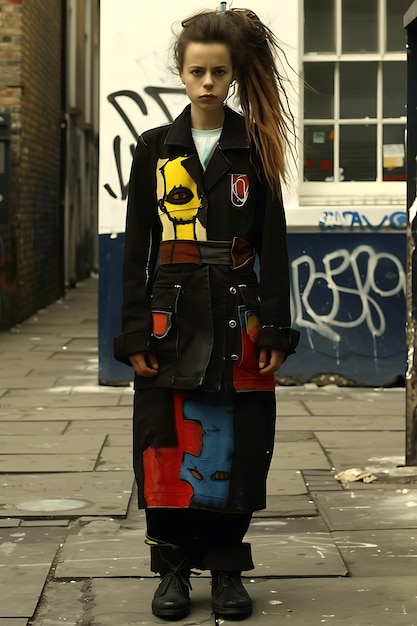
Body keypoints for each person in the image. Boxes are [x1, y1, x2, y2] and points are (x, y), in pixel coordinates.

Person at [114, 5, 299, 621]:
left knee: (239, 442)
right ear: (181, 73)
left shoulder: (256, 149)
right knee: (166, 443)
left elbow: (274, 245)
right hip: (170, 319)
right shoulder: (153, 150)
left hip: (238, 318)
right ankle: (171, 570)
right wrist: (134, 328)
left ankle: (224, 570)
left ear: (233, 75)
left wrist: (274, 324)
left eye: (219, 72)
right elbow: (136, 245)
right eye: (197, 72)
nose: (208, 83)